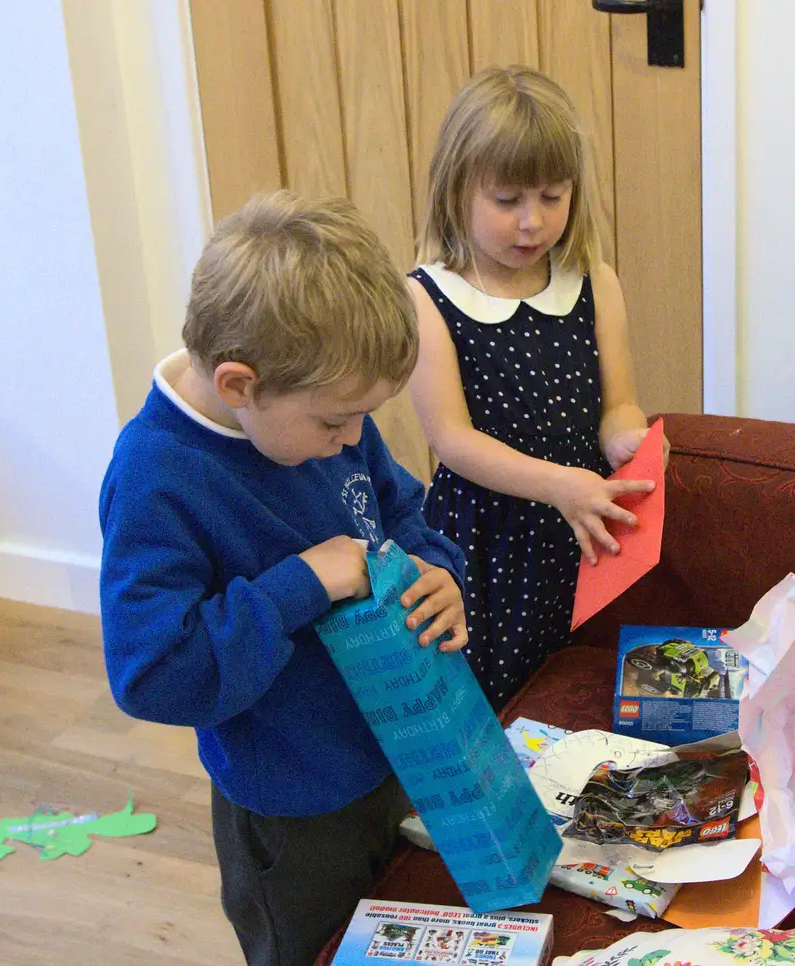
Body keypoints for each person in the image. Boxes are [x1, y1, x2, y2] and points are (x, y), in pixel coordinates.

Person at [98, 191, 467, 966]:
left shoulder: (325, 419)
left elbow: (402, 513)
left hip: (394, 753)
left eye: (364, 416)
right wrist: (299, 585)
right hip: (290, 812)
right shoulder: (157, 479)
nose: (352, 438)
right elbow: (153, 674)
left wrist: (437, 570)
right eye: (334, 421)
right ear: (238, 385)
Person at [406, 65, 667, 709]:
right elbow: (451, 439)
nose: (533, 222)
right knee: (496, 706)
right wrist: (557, 483)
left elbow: (618, 404)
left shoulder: (592, 279)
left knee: (577, 698)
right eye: (507, 201)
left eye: (553, 197)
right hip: (485, 544)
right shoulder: (426, 297)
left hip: (581, 528)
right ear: (457, 189)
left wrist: (626, 440)